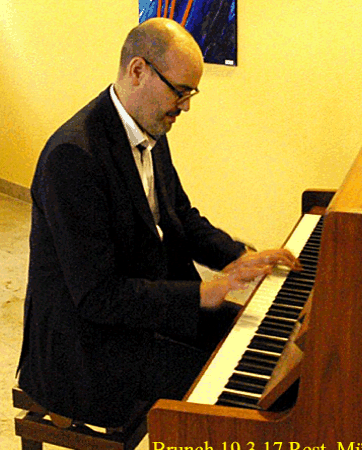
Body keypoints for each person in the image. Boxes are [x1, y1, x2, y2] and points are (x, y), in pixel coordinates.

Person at [16, 18, 300, 428]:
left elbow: (180, 216)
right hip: (86, 345)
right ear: (138, 71)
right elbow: (97, 296)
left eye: (190, 93)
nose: (185, 106)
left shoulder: (149, 127)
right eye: (180, 91)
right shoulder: (73, 157)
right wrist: (202, 292)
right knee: (234, 395)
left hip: (137, 309)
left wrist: (239, 257)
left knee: (264, 345)